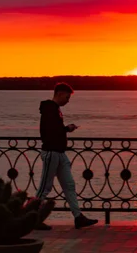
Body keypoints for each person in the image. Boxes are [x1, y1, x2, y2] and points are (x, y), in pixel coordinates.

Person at [35, 82, 98, 230]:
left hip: (59, 153)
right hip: (52, 152)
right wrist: (66, 129)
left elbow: (55, 129)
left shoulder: (54, 109)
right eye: (67, 97)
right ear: (60, 93)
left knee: (69, 185)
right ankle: (31, 217)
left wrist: (65, 129)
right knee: (45, 187)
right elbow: (52, 130)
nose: (68, 100)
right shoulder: (50, 109)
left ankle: (78, 217)